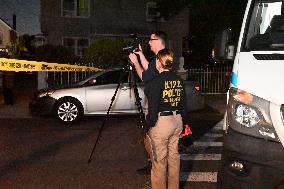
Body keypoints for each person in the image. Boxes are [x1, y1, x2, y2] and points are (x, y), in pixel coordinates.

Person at [146, 48, 188, 189]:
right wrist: (184, 122)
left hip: (162, 123)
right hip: (177, 121)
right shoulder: (179, 80)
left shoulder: (156, 82)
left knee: (159, 161)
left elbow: (152, 109)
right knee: (174, 158)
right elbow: (184, 105)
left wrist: (148, 126)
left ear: (159, 62)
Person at [129, 31, 167, 175]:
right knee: (150, 138)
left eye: (151, 40)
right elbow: (150, 69)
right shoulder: (162, 57)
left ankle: (156, 166)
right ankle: (153, 163)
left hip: (156, 106)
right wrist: (141, 56)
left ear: (158, 41)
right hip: (160, 105)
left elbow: (145, 77)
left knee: (150, 137)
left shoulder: (160, 59)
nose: (149, 42)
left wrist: (135, 62)